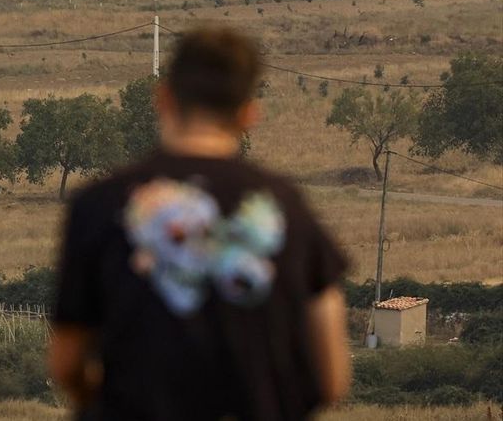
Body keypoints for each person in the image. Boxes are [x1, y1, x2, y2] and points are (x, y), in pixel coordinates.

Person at [49, 26, 351, 420]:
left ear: (163, 99)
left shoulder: (98, 204)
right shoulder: (286, 208)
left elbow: (66, 363)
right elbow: (331, 379)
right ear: (248, 114)